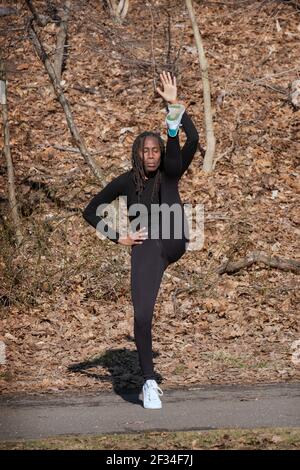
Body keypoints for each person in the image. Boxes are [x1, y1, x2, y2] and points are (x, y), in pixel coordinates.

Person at [82, 71, 199, 409]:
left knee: (175, 172)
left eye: (156, 150)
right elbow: (90, 211)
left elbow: (194, 142)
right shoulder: (123, 183)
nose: (151, 155)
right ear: (137, 154)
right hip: (146, 245)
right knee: (142, 316)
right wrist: (119, 237)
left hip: (174, 236)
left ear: (160, 153)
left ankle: (171, 125)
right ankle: (149, 381)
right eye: (145, 151)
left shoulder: (168, 169)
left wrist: (174, 105)